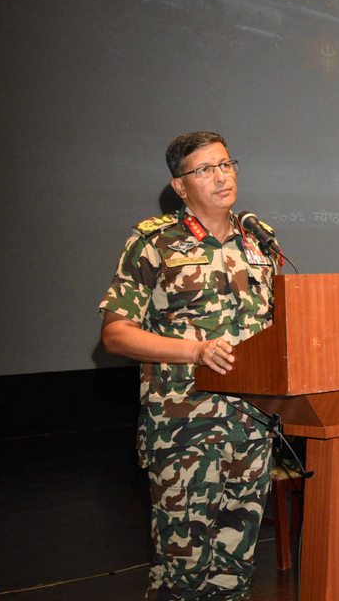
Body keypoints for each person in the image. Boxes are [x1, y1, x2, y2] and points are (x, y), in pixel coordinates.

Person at [99, 131, 278, 599]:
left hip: (252, 424)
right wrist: (194, 351)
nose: (221, 177)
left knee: (235, 568)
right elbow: (115, 334)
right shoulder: (154, 241)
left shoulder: (258, 239)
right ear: (180, 186)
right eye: (205, 170)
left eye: (226, 164)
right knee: (183, 570)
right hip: (183, 428)